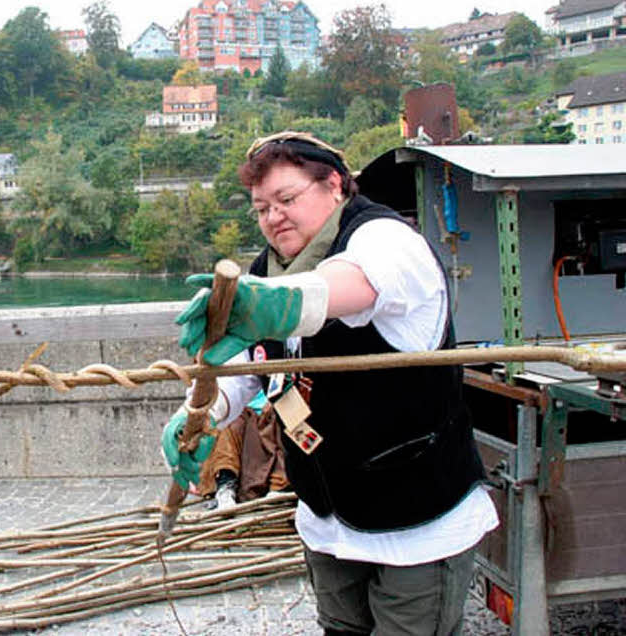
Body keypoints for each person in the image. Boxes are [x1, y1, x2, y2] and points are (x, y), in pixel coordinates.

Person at [162, 131, 498, 635]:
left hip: (416, 520)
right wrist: (201, 415)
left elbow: (346, 286)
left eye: (287, 199)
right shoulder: (267, 272)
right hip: (327, 519)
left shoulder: (386, 241)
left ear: (336, 185)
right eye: (260, 208)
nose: (273, 217)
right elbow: (252, 366)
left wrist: (272, 305)